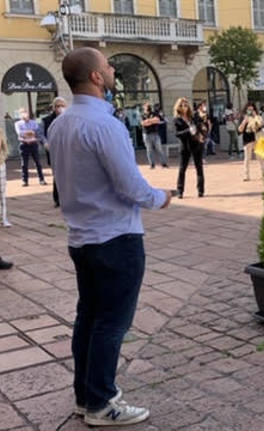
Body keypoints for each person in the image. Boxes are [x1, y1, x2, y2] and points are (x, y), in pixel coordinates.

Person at [48, 47, 171, 426]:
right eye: (107, 65)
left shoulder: (60, 124)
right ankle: (101, 402)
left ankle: (86, 396)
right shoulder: (104, 125)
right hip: (116, 238)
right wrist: (160, 197)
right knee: (111, 324)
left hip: (82, 237)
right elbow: (130, 187)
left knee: (89, 317)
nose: (113, 68)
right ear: (97, 77)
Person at [174, 98, 204, 198]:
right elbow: (177, 134)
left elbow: (200, 126)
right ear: (178, 107)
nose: (184, 107)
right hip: (185, 146)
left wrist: (201, 132)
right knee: (182, 169)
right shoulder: (177, 120)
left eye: (186, 105)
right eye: (181, 105)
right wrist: (188, 131)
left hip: (196, 144)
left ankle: (200, 190)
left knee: (199, 167)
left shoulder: (193, 117)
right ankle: (180, 191)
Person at [42, 97, 67, 207]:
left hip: (67, 150)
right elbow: (40, 134)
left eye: (62, 105)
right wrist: (45, 143)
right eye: (57, 106)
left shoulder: (69, 119)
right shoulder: (47, 120)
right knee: (57, 175)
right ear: (53, 108)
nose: (60, 108)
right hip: (54, 151)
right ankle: (57, 199)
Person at [14, 107, 46, 187]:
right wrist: (29, 133)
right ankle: (25, 181)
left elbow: (36, 132)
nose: (24, 114)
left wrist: (27, 133)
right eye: (22, 113)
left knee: (38, 163)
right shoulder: (18, 124)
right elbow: (20, 133)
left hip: (33, 144)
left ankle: (41, 179)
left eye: (25, 112)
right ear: (20, 115)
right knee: (24, 164)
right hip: (24, 145)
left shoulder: (34, 122)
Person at [238, 102, 264, 181]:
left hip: (256, 139)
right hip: (247, 140)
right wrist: (244, 121)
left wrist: (255, 116)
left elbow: (260, 126)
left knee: (260, 157)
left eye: (252, 109)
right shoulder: (243, 118)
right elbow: (239, 130)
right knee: (247, 158)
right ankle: (246, 175)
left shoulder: (257, 117)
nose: (250, 111)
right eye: (248, 109)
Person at [140, 102, 168, 169]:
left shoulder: (154, 113)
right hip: (146, 135)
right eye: (146, 106)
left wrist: (148, 121)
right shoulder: (142, 115)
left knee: (159, 149)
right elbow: (143, 123)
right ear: (144, 108)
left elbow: (157, 120)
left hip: (155, 134)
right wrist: (151, 121)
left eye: (148, 106)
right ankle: (152, 164)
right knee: (149, 150)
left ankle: (163, 164)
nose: (147, 107)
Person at [0, 127, 11, 227]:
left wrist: (3, 158)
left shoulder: (0, 131)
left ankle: (3, 218)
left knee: (2, 193)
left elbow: (5, 147)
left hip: (0, 165)